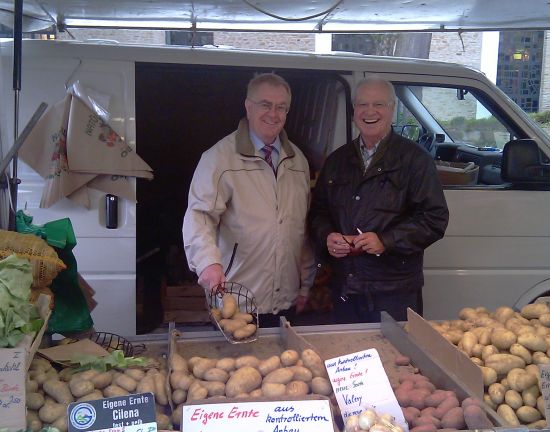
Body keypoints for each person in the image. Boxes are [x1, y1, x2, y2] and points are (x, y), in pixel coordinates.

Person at [308, 77, 449, 323]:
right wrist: (327, 237)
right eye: (363, 105)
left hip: (394, 293)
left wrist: (386, 241)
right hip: (345, 290)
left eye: (379, 105)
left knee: (396, 359)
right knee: (348, 355)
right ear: (354, 112)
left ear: (392, 109)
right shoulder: (336, 161)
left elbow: (434, 218)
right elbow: (318, 213)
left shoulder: (416, 161)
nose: (370, 112)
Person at [182, 73, 315, 328]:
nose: (273, 114)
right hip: (236, 302)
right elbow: (199, 216)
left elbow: (302, 228)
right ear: (248, 106)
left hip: (286, 301)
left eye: (281, 107)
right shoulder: (219, 158)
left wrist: (306, 284)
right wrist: (208, 263)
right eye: (265, 105)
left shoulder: (298, 161)